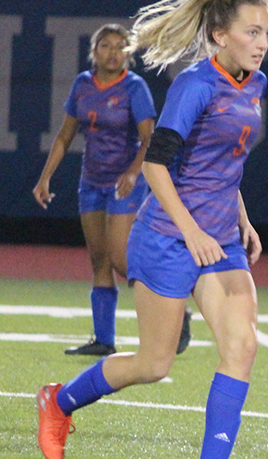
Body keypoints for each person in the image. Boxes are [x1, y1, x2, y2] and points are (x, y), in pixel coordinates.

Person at [36, 0, 268, 459]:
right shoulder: (195, 86)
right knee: (153, 365)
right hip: (168, 237)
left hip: (220, 243)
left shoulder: (255, 85)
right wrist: (192, 232)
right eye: (251, 32)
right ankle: (58, 401)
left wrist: (243, 219)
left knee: (243, 344)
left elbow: (223, 166)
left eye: (267, 33)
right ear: (219, 35)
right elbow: (158, 165)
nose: (261, 43)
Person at [33, 24, 194, 357]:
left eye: (120, 47)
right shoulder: (83, 84)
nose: (112, 52)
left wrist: (134, 173)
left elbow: (150, 138)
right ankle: (103, 340)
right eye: (105, 46)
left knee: (123, 259)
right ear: (94, 52)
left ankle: (177, 311)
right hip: (90, 181)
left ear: (129, 55)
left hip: (125, 183)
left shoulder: (134, 87)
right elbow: (64, 136)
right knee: (99, 260)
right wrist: (45, 177)